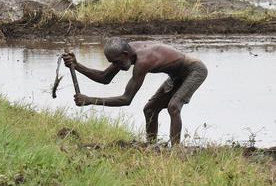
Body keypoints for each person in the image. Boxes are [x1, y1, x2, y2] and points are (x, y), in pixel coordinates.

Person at [62, 37, 208, 145]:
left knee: (174, 106)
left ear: (125, 55)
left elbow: (126, 99)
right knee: (149, 109)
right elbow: (104, 77)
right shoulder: (126, 53)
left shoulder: (143, 61)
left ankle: (177, 152)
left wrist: (90, 100)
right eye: (112, 62)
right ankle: (152, 147)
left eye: (117, 62)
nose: (115, 66)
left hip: (194, 70)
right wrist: (76, 65)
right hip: (176, 75)